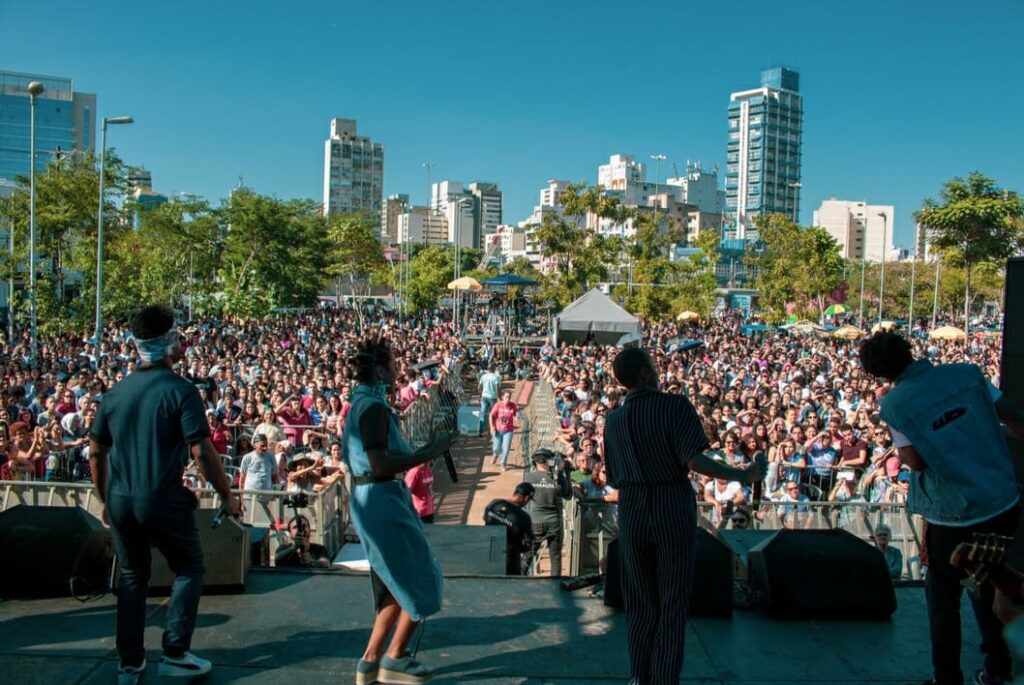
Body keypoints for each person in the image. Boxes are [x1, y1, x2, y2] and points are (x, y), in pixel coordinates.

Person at [87, 305, 241, 685]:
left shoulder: (114, 394)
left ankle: (129, 664)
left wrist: (105, 497)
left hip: (121, 499)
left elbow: (95, 451)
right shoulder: (181, 391)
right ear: (171, 342)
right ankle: (175, 652)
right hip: (162, 497)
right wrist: (226, 494)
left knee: (132, 576)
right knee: (189, 568)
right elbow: (202, 451)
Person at [860, 331, 1024, 685]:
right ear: (909, 350)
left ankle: (947, 678)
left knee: (943, 598)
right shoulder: (967, 373)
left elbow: (916, 462)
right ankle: (998, 668)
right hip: (1003, 502)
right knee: (988, 581)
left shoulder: (894, 404)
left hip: (953, 517)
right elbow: (1013, 416)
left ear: (878, 373)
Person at [603, 347, 764, 685]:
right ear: (646, 373)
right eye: (654, 366)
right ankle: (662, 679)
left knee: (639, 601)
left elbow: (614, 476)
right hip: (671, 503)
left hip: (631, 507)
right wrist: (744, 476)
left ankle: (638, 676)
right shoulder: (675, 406)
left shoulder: (613, 419)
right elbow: (695, 461)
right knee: (672, 600)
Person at [342, 337, 457, 685]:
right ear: (378, 369)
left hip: (376, 499)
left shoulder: (362, 403)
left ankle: (371, 660)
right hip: (381, 500)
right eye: (391, 364)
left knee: (394, 582)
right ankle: (395, 657)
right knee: (420, 577)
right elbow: (379, 463)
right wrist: (429, 451)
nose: (396, 371)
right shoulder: (372, 409)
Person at [524, 448, 572, 577]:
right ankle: (555, 588)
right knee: (555, 558)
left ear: (535, 461)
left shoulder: (529, 477)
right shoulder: (557, 478)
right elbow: (568, 495)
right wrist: (566, 474)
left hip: (535, 521)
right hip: (554, 522)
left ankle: (518, 580)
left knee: (528, 556)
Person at [483, 482, 535, 575]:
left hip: (489, 555)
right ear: (526, 498)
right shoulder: (524, 517)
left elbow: (486, 521)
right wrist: (517, 548)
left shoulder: (494, 504)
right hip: (510, 562)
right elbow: (528, 545)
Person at [489, 389, 519, 470]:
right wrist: (492, 426)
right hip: (498, 430)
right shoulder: (498, 405)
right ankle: (495, 455)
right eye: (506, 397)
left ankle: (503, 462)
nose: (508, 399)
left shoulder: (513, 405)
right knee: (497, 447)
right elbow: (491, 415)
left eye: (509, 397)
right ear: (502, 397)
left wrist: (516, 416)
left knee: (506, 448)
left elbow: (515, 413)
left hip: (508, 430)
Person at [478, 364, 501, 434]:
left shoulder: (483, 376)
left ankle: (481, 430)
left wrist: (480, 395)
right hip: (492, 397)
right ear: (493, 369)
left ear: (488, 369)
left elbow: (479, 387)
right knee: (494, 413)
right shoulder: (495, 377)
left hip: (484, 396)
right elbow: (497, 388)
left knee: (483, 413)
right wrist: (498, 397)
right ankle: (494, 428)